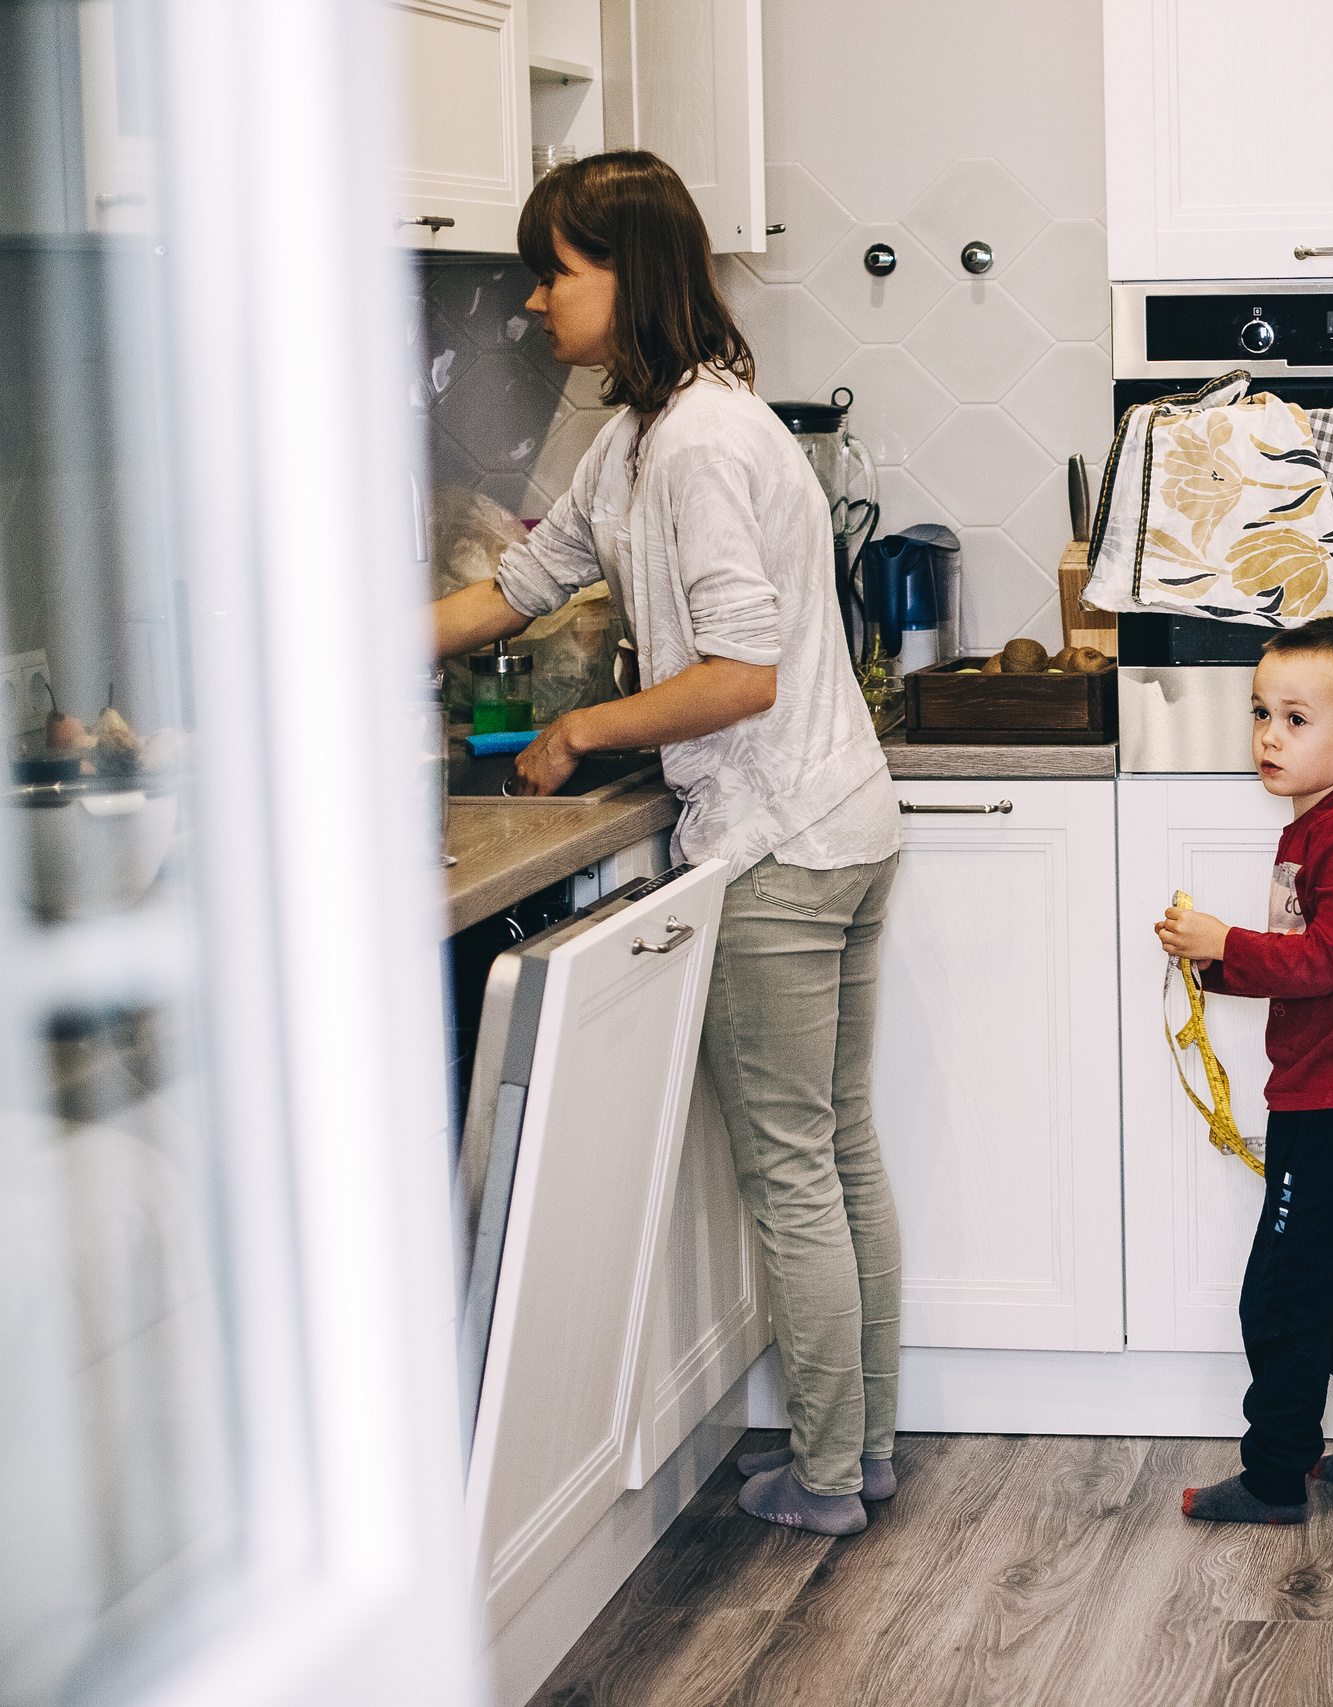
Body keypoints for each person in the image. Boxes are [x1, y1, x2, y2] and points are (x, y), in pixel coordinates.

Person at [428, 151, 900, 1537]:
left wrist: (584, 733)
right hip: (839, 819)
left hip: (779, 837)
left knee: (795, 1162)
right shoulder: (653, 431)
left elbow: (739, 670)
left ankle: (826, 1471)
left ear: (626, 276)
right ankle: (856, 1446)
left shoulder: (695, 444)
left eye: (556, 271)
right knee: (838, 1147)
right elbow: (523, 581)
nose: (532, 298)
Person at [1153, 617, 1333, 1524]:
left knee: (1283, 1297)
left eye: (1295, 718)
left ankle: (1277, 1474)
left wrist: (1222, 941)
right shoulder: (1332, 823)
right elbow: (1311, 961)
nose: (1270, 735)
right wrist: (1216, 966)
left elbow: (1329, 959)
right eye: (1261, 713)